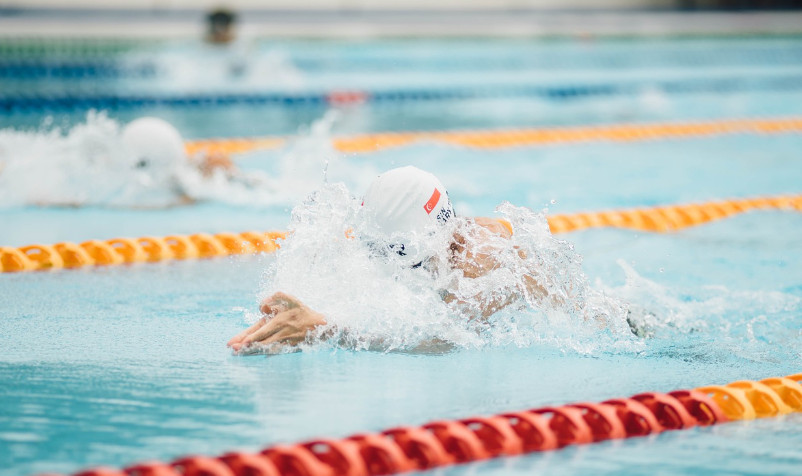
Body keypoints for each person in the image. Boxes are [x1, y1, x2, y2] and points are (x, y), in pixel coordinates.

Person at [227, 166, 556, 354]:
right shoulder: (420, 238)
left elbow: (441, 341)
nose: (395, 268)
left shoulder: (483, 257)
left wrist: (327, 329)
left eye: (407, 261)